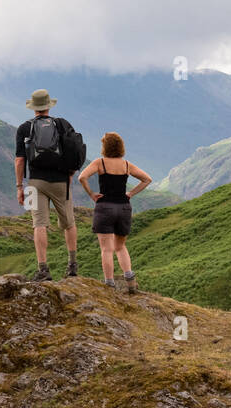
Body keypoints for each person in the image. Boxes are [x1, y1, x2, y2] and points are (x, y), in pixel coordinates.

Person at [15, 89, 79, 282]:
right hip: (61, 181)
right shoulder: (62, 124)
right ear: (49, 106)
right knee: (69, 223)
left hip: (35, 182)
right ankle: (72, 266)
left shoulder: (24, 128)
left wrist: (20, 186)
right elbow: (74, 152)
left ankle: (43, 269)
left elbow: (19, 161)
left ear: (33, 108)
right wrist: (70, 174)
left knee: (39, 224)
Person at [77, 131, 151, 293]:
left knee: (107, 249)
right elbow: (147, 179)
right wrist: (131, 194)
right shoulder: (126, 165)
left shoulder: (100, 163)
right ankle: (130, 282)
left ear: (105, 146)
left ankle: (109, 284)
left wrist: (91, 194)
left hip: (105, 207)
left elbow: (82, 177)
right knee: (120, 247)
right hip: (124, 208)